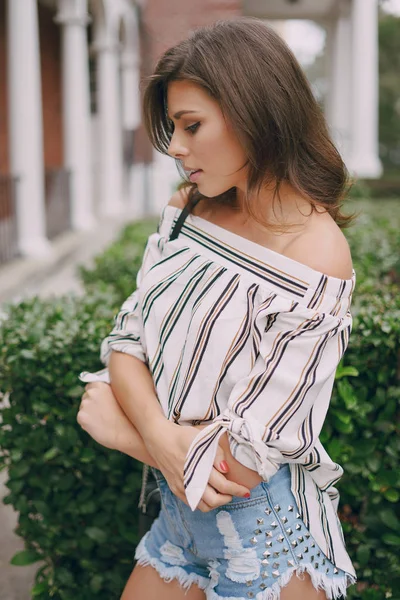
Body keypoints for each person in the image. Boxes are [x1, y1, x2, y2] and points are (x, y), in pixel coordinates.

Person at [77, 17, 358, 600]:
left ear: (255, 114)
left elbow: (247, 462)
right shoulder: (188, 210)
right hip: (176, 525)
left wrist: (127, 435)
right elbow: (128, 345)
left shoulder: (316, 254)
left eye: (192, 125)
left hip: (268, 544)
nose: (176, 148)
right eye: (173, 127)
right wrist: (164, 433)